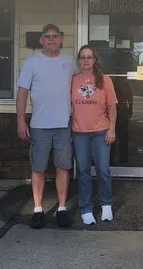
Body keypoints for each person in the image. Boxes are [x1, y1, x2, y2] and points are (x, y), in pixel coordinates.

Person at [16, 23, 78, 229]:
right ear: (42, 40)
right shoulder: (31, 63)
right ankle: (38, 209)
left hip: (63, 124)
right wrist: (20, 120)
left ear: (61, 39)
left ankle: (61, 208)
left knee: (63, 167)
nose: (51, 39)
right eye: (47, 37)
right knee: (38, 168)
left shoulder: (70, 61)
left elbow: (81, 86)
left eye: (55, 36)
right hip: (39, 125)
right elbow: (22, 93)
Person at [71, 44, 118, 225]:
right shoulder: (73, 80)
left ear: (95, 60)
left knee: (102, 170)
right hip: (79, 132)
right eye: (83, 57)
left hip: (101, 131)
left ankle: (106, 205)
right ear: (79, 60)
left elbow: (112, 107)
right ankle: (86, 208)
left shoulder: (105, 80)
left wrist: (111, 128)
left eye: (89, 57)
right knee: (83, 171)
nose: (86, 60)